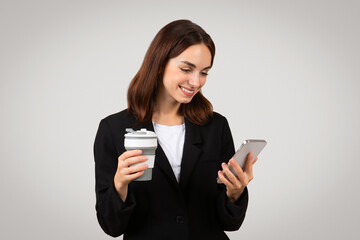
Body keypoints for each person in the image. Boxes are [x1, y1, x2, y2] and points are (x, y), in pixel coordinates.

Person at [94, 19, 257, 240]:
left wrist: (235, 193)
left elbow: (229, 223)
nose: (196, 82)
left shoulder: (215, 127)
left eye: (204, 72)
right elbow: (111, 227)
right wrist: (119, 184)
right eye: (186, 69)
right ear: (159, 63)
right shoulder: (113, 129)